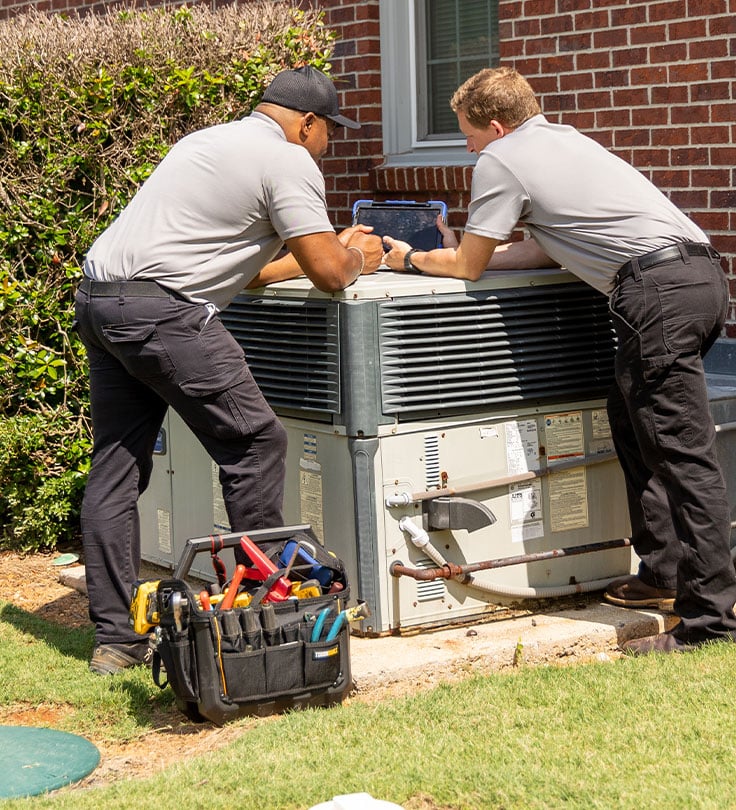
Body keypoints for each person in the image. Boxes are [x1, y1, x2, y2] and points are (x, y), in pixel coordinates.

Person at [383, 66, 736, 655]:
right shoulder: (567, 143)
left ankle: (711, 622)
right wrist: (459, 252)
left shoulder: (501, 159)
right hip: (698, 279)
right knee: (632, 421)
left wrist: (410, 260)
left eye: (469, 134)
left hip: (655, 296)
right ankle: (663, 572)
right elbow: (541, 251)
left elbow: (469, 266)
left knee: (683, 457)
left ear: (496, 127)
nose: (468, 148)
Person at [75, 66, 383, 674]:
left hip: (101, 302)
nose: (329, 145)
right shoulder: (289, 160)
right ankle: (263, 622)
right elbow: (331, 274)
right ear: (307, 123)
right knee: (256, 444)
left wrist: (329, 251)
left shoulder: (207, 141)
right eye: (330, 132)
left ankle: (117, 640)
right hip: (164, 313)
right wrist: (358, 254)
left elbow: (250, 271)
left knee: (117, 465)